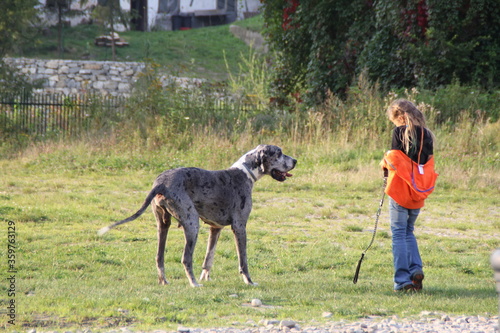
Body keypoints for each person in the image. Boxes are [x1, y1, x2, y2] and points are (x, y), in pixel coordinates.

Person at [380, 99, 438, 292]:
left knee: (398, 233)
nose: (394, 125)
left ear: (401, 117)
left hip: (401, 190)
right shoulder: (428, 135)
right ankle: (416, 270)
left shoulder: (399, 132)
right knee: (409, 231)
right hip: (419, 190)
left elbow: (395, 159)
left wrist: (384, 161)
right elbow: (425, 163)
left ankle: (402, 280)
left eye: (394, 120)